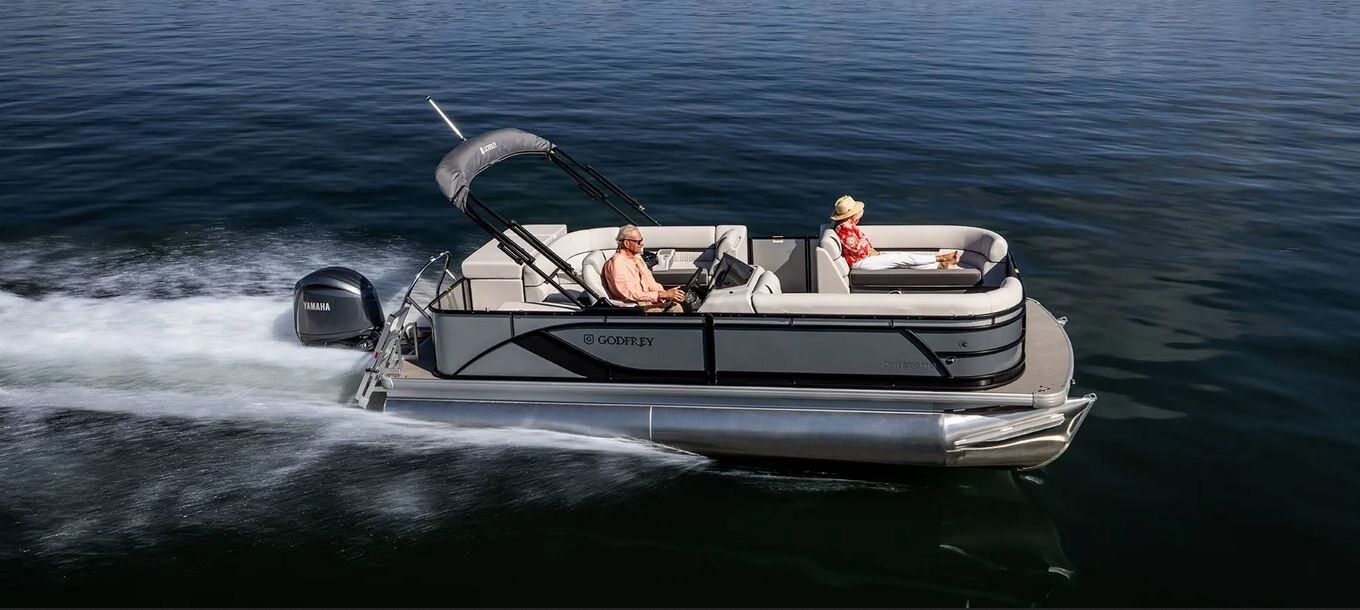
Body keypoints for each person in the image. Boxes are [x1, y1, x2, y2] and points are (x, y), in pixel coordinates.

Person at [830, 195, 960, 270]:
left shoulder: (849, 225)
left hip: (864, 258)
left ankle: (940, 266)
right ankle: (940, 258)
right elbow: (857, 250)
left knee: (902, 261)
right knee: (900, 258)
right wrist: (871, 251)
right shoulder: (844, 228)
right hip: (860, 263)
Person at [602, 225, 686, 312]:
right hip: (634, 308)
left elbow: (650, 283)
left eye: (641, 240)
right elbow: (631, 294)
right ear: (627, 243)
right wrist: (662, 295)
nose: (641, 244)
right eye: (638, 242)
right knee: (676, 308)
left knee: (679, 303)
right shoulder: (618, 264)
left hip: (646, 302)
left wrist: (668, 295)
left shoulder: (637, 258)